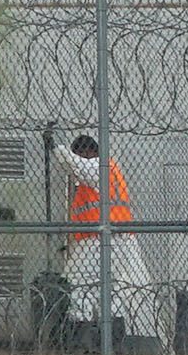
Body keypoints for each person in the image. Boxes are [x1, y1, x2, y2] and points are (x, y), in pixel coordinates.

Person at [51, 134, 139, 339]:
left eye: (77, 155)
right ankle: (112, 341)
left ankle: (80, 336)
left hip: (99, 240)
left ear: (88, 153)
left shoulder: (100, 167)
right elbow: (76, 169)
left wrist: (58, 149)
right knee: (109, 289)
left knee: (79, 285)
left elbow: (78, 166)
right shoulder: (104, 174)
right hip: (118, 239)